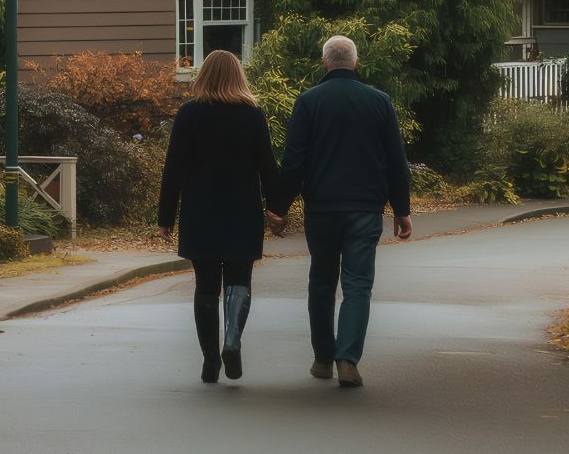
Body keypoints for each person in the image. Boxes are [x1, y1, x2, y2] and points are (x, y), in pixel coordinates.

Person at [268, 35, 412, 388]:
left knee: (321, 281)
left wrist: (278, 207)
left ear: (324, 63)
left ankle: (322, 357)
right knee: (358, 284)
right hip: (365, 208)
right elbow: (396, 161)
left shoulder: (309, 101)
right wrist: (401, 209)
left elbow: (294, 161)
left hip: (322, 207)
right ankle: (348, 358)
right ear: (356, 63)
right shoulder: (379, 102)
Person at [156, 49, 279, 384]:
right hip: (243, 209)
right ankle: (233, 341)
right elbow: (267, 166)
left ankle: (211, 359)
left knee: (206, 285)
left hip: (201, 210)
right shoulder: (253, 115)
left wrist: (166, 217)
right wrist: (277, 208)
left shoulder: (189, 114)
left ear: (204, 75)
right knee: (240, 279)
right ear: (239, 75)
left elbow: (174, 170)